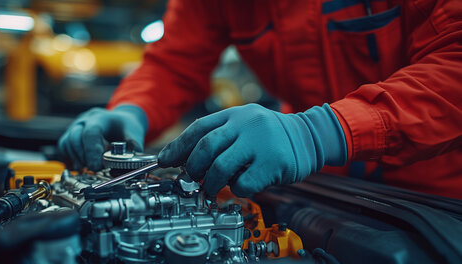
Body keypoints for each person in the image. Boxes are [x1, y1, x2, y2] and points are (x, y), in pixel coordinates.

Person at [59, 0, 462, 199]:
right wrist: (132, 110)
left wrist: (318, 133)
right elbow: (175, 61)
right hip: (313, 184)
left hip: (436, 193)